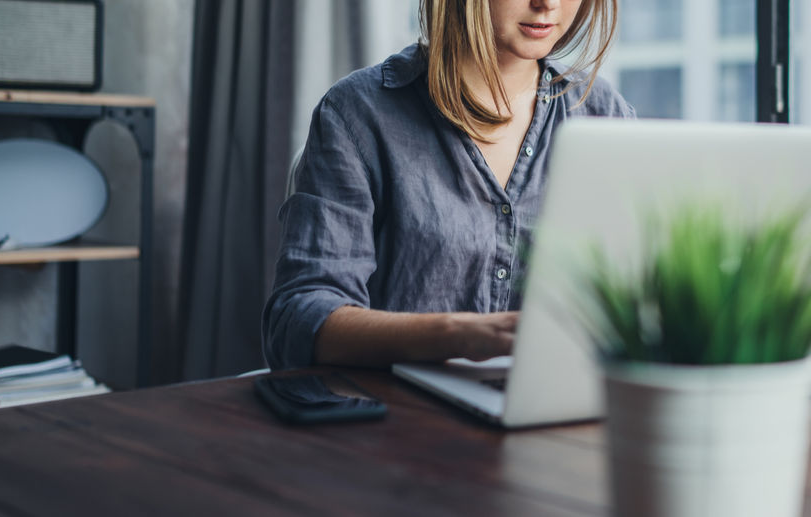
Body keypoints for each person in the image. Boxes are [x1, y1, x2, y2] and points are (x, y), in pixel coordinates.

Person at [263, 0, 632, 370]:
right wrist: (456, 335)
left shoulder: (606, 117)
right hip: (396, 403)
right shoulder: (358, 114)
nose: (547, 3)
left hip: (558, 401)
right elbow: (297, 321)